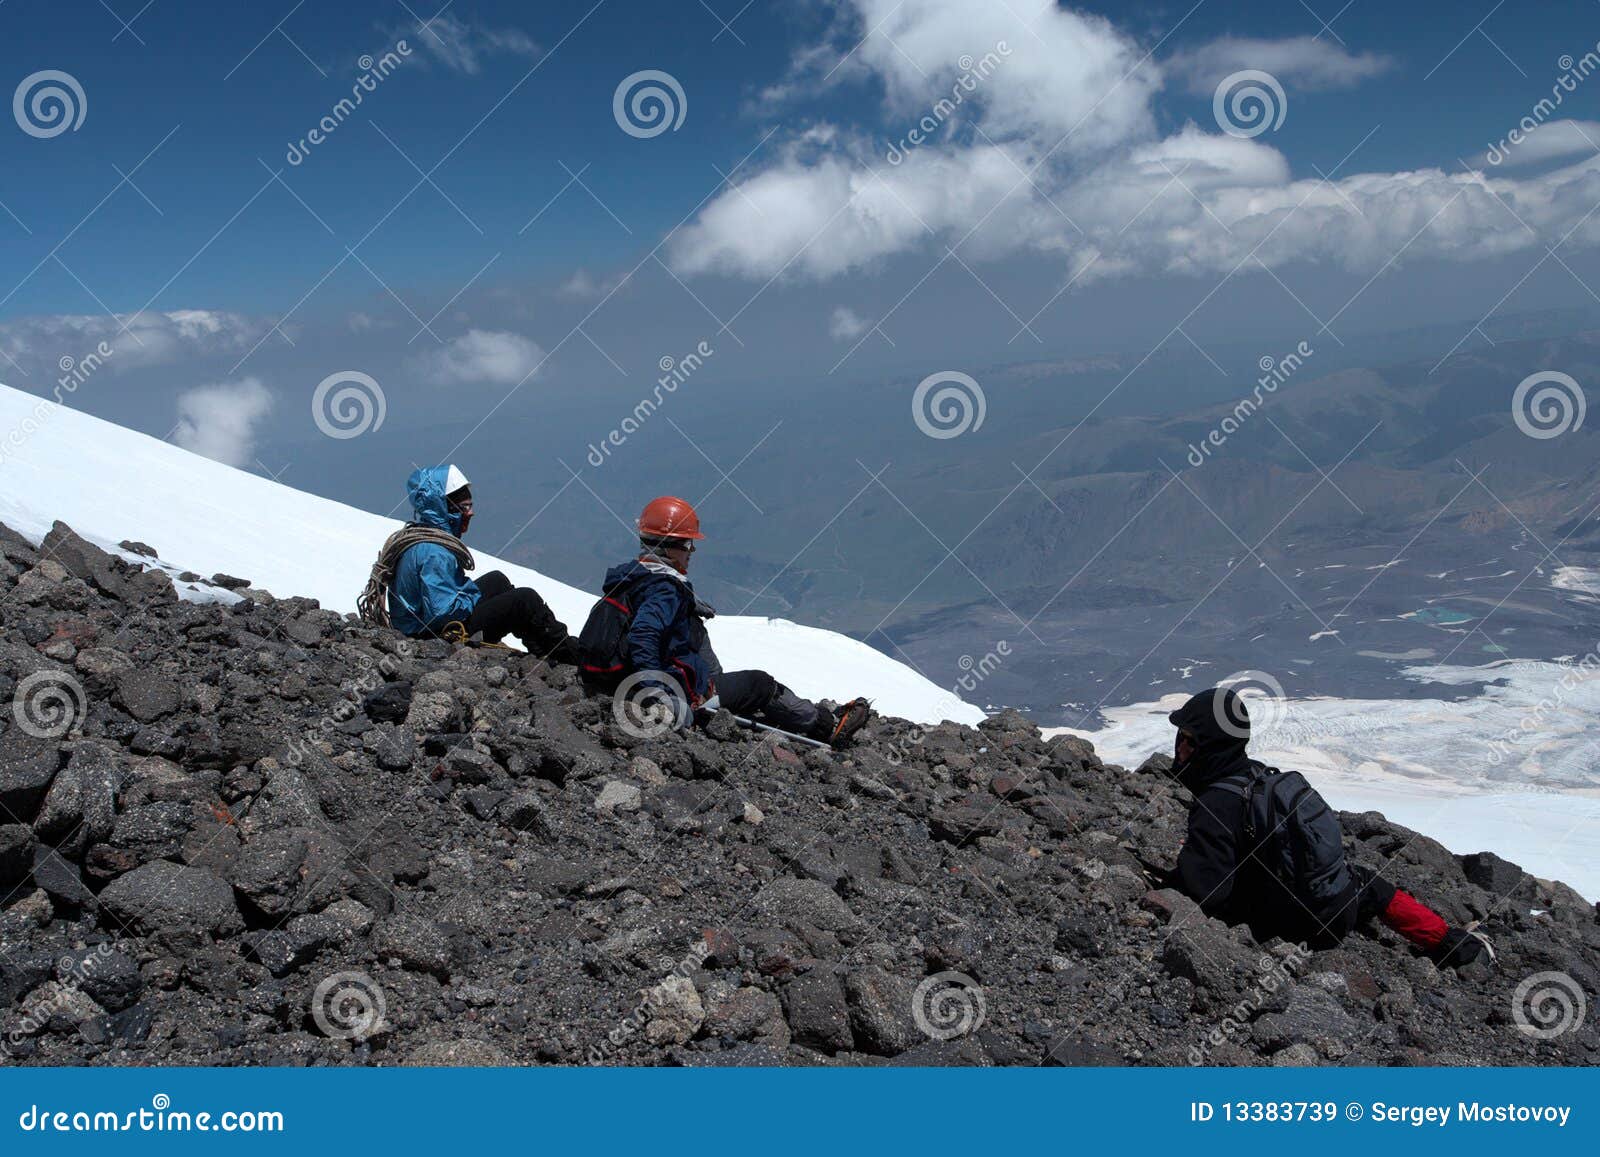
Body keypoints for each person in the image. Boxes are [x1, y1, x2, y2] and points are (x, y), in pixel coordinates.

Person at [1164, 686, 1493, 966]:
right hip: (1335, 905)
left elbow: (1209, 895)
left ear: (1213, 747)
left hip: (1302, 928)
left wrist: (1182, 871)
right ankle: (1453, 943)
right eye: (1182, 738)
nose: (1180, 749)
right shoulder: (1256, 774)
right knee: (1364, 882)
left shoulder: (1215, 803)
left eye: (1191, 741)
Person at [578, 495, 872, 747]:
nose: (691, 552)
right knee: (760, 683)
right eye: (687, 545)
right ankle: (827, 725)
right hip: (669, 690)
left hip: (616, 682)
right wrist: (658, 693)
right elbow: (644, 636)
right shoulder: (665, 589)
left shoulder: (631, 577)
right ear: (668, 547)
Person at [358, 464, 578, 663]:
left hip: (422, 626)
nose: (471, 512)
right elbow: (442, 612)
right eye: (464, 507)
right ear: (446, 508)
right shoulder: (435, 552)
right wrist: (470, 594)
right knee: (524, 599)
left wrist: (468, 594)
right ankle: (567, 653)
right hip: (433, 637)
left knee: (497, 580)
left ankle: (542, 646)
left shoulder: (419, 536)